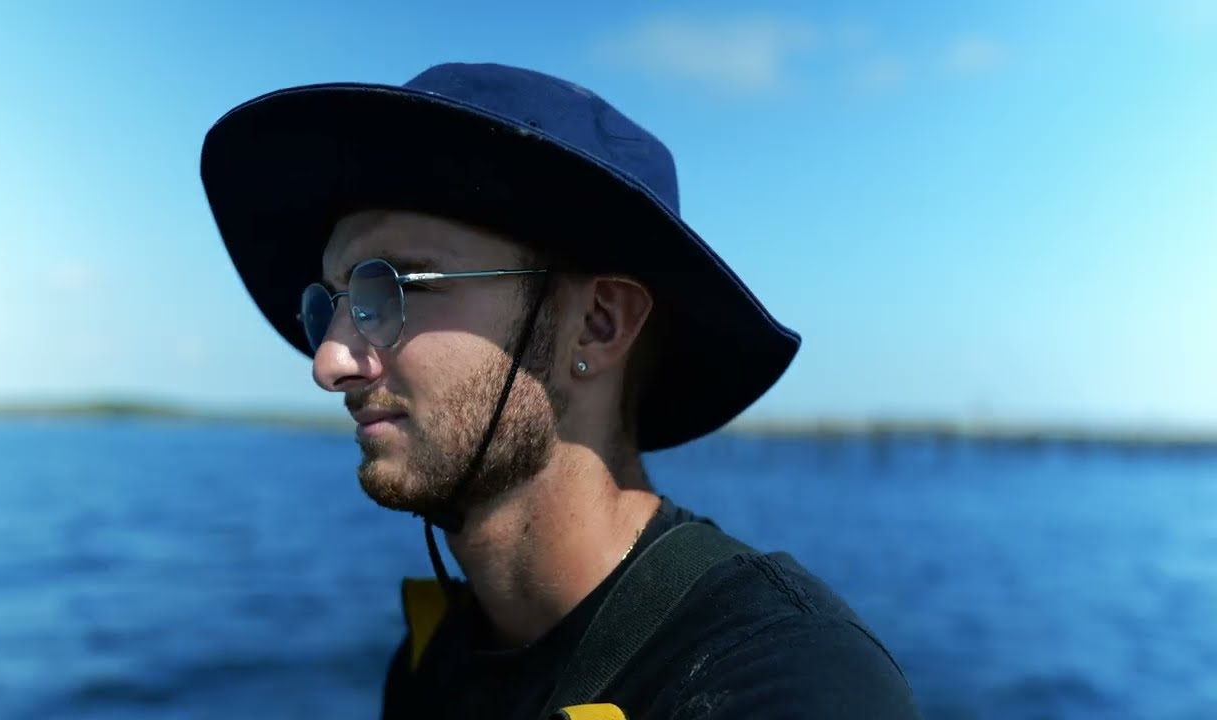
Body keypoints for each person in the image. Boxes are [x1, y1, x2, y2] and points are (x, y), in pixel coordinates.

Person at [200, 62, 923, 720]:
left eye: (391, 288)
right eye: (330, 304)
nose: (329, 361)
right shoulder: (433, 662)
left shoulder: (789, 681)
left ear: (598, 325)